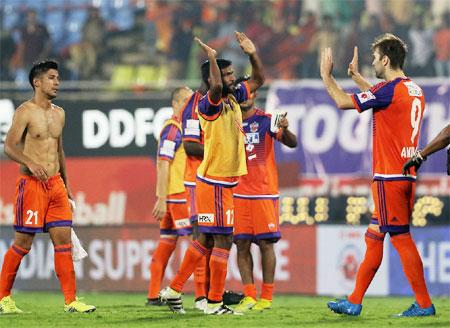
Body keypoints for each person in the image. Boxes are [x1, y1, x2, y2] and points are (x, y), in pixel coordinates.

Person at [320, 34, 435, 317]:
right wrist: (358, 77)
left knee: (401, 238)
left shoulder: (390, 90)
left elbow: (343, 102)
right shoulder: (413, 89)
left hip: (389, 178)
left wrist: (326, 76)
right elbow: (384, 99)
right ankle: (354, 300)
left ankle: (423, 303)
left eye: (375, 58)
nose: (373, 62)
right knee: (374, 236)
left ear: (385, 59)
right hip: (405, 175)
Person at [160, 32, 265, 315]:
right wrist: (211, 58)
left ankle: (173, 290)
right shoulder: (210, 102)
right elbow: (217, 85)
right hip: (215, 182)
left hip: (217, 181)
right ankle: (215, 302)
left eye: (233, 74)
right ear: (212, 80)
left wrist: (252, 53)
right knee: (224, 240)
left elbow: (258, 80)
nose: (234, 78)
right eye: (228, 74)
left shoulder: (235, 96)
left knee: (205, 240)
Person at [0, 60, 95, 313]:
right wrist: (30, 162)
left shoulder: (59, 113)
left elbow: (59, 150)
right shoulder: (25, 111)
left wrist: (67, 184)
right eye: (52, 78)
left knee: (63, 241)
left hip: (55, 186)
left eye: (58, 78)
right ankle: (3, 299)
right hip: (31, 186)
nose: (57, 82)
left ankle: (71, 301)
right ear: (37, 82)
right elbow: (9, 146)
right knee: (22, 244)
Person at [233, 91, 297, 312]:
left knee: (265, 244)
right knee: (241, 245)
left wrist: (285, 128)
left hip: (263, 193)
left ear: (254, 94)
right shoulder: (231, 123)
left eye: (246, 93)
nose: (243, 97)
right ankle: (250, 296)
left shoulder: (268, 120)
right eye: (238, 93)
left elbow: (293, 143)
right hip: (238, 193)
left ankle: (266, 298)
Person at [146, 86, 194, 305]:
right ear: (174, 104)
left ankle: (154, 295)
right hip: (177, 196)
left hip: (171, 196)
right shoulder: (174, 129)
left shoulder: (179, 127)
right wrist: (163, 199)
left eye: (191, 100)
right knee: (200, 243)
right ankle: (203, 295)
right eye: (185, 100)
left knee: (166, 244)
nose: (189, 104)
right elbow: (164, 163)